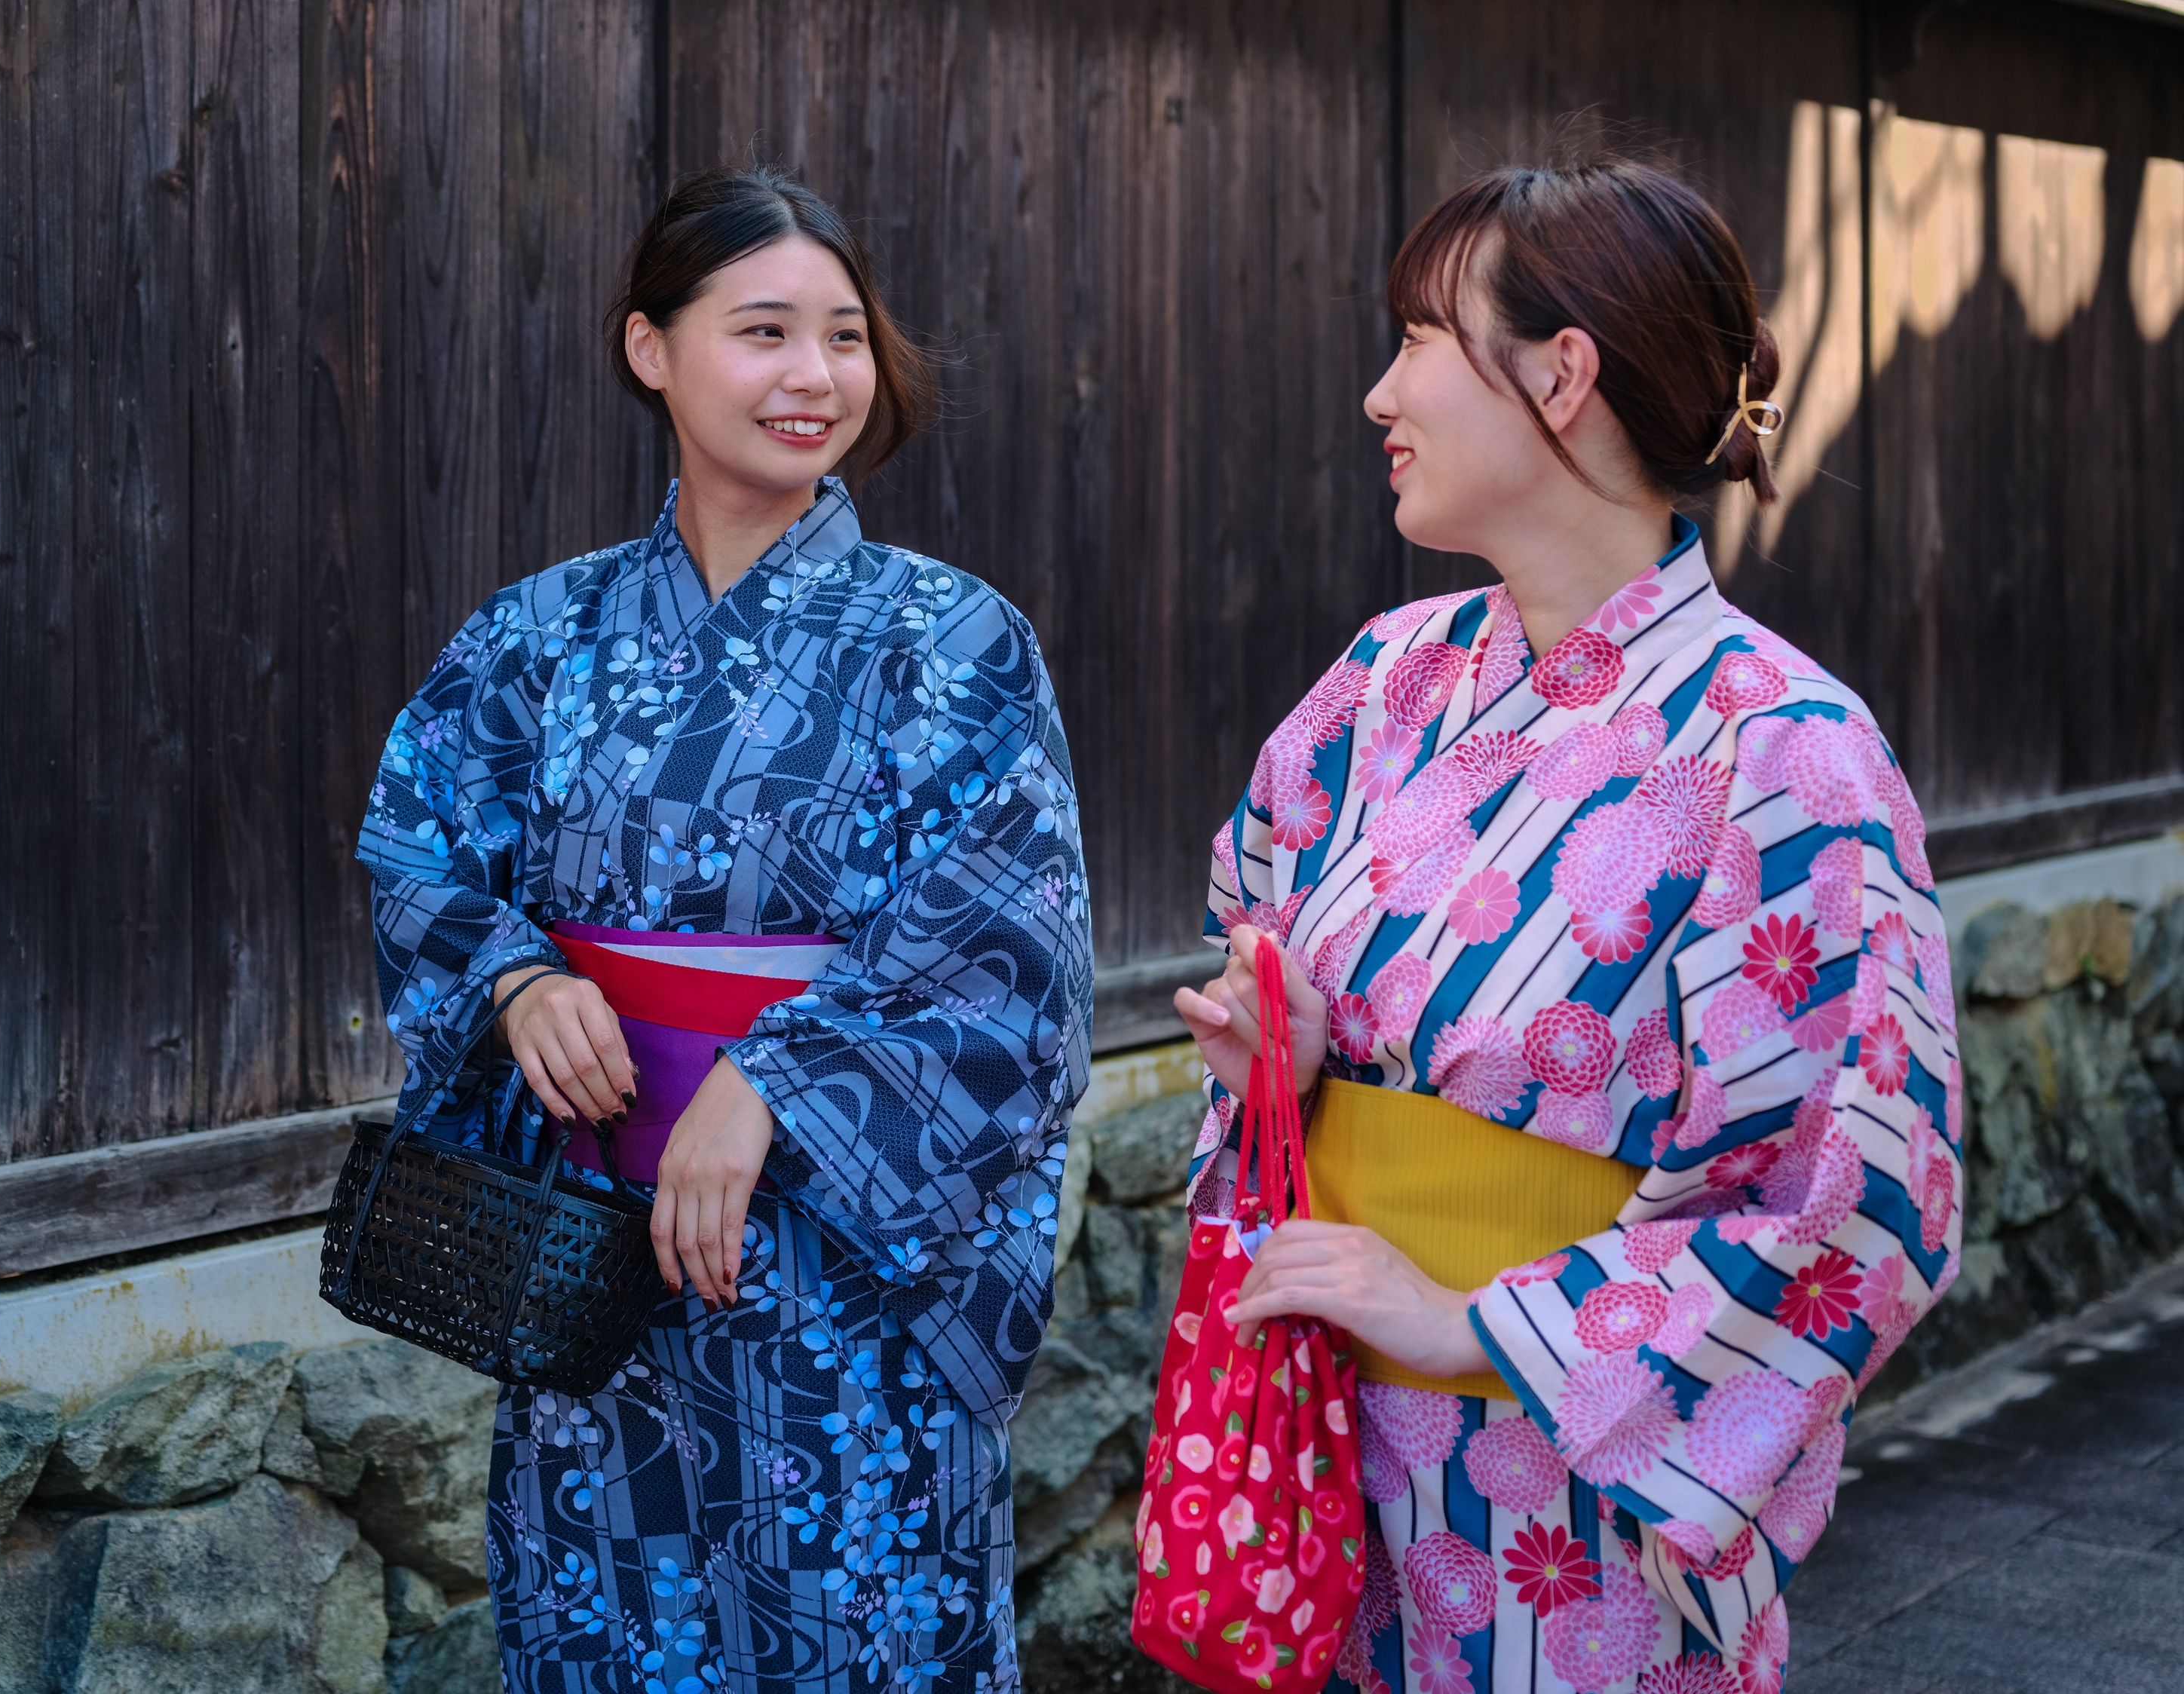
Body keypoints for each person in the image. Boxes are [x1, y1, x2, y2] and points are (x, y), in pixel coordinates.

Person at [1157, 160, 1961, 1694]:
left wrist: (1475, 1323)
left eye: (1413, 337)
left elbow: (1861, 1190)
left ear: (1560, 371)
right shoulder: (1385, 680)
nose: (1375, 390)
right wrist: (1289, 1040)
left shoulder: (1781, 745)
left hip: (1561, 1488)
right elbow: (1259, 922)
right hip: (1331, 1449)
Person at [360, 167, 1093, 1694]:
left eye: (841, 336)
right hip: (592, 1251)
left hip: (843, 1277)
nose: (813, 376)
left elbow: (1006, 955)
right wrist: (511, 977)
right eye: (762, 332)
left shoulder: (948, 641)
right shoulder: (536, 638)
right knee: (600, 1614)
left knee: (848, 1625)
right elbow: (419, 843)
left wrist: (775, 1079)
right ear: (652, 350)